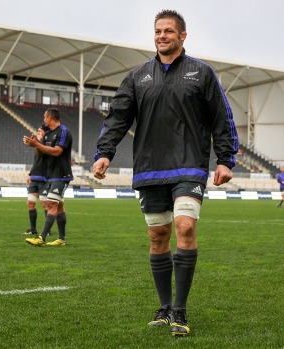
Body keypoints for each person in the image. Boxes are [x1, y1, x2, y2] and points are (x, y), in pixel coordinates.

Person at [92, 10, 238, 337]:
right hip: (150, 168)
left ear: (182, 36)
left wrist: (225, 159)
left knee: (184, 227)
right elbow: (117, 118)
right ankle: (164, 306)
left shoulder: (202, 73)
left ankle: (181, 311)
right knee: (158, 237)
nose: (162, 36)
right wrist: (104, 153)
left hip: (189, 165)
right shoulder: (137, 76)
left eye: (169, 31)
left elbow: (221, 119)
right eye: (158, 31)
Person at [23, 108, 73, 247]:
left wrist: (37, 144)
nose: (43, 119)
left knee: (51, 203)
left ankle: (42, 238)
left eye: (44, 117)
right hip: (50, 176)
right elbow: (40, 154)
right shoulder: (48, 134)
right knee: (60, 206)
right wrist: (35, 144)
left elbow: (57, 152)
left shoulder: (63, 132)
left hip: (61, 174)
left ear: (50, 117)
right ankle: (61, 239)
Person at [24, 125, 51, 236]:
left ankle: (47, 230)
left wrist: (37, 143)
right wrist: (30, 174)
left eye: (40, 131)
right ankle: (33, 229)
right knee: (30, 203)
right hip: (35, 178)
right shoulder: (37, 145)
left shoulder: (48, 145)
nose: (38, 133)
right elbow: (37, 163)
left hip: (44, 179)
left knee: (45, 204)